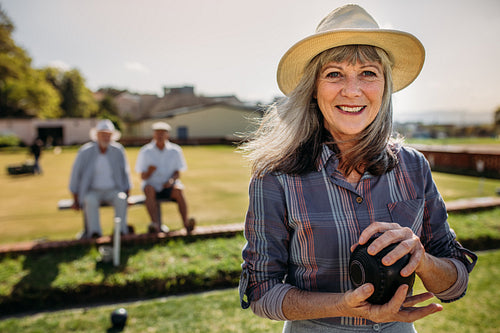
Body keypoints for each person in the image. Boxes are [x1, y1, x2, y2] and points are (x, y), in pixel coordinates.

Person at [239, 4, 477, 332]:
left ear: (385, 87)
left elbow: (456, 281)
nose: (352, 90)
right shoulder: (275, 177)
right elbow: (260, 292)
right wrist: (344, 305)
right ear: (313, 88)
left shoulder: (413, 167)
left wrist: (421, 258)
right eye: (334, 73)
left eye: (368, 73)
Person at [69, 119, 131, 238]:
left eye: (108, 135)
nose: (105, 137)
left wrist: (128, 194)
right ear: (97, 135)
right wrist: (75, 199)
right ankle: (94, 234)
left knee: (121, 199)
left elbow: (125, 173)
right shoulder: (85, 151)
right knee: (90, 201)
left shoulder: (118, 150)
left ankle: (121, 232)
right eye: (103, 134)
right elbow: (76, 175)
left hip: (113, 190)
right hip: (92, 191)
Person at [135, 121, 195, 234]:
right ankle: (155, 225)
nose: (160, 136)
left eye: (162, 133)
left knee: (179, 190)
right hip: (151, 187)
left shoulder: (175, 150)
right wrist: (150, 171)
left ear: (167, 134)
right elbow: (142, 177)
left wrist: (171, 181)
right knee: (149, 189)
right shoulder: (145, 151)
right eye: (157, 133)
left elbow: (177, 172)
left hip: (169, 187)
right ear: (153, 134)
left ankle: (186, 224)